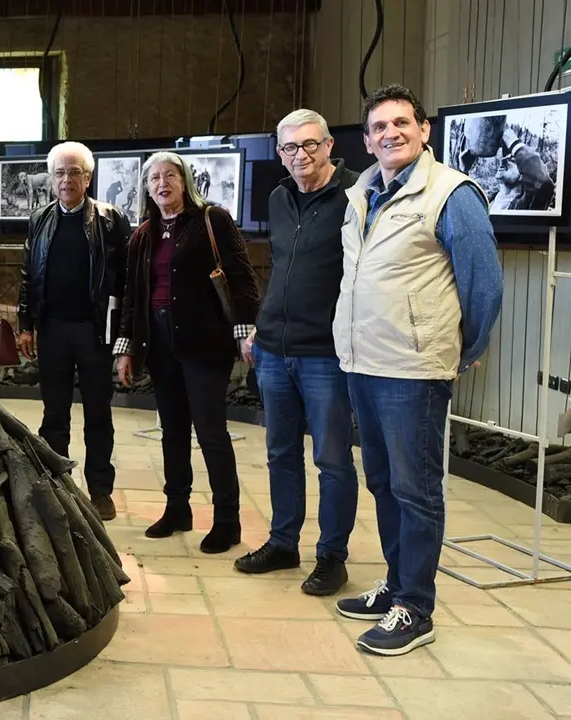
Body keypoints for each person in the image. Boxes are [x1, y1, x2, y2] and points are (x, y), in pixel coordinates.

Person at [332, 84, 503, 656]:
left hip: (412, 369)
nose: (390, 134)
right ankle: (396, 585)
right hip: (362, 363)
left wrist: (458, 349)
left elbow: (484, 285)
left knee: (416, 489)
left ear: (424, 130)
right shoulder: (361, 193)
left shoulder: (451, 195)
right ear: (367, 139)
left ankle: (416, 608)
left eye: (402, 123)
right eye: (379, 127)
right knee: (382, 482)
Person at [233, 109, 361, 597]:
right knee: (280, 453)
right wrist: (259, 329)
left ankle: (332, 556)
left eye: (310, 145)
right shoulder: (279, 197)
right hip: (272, 350)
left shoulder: (357, 195)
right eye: (289, 148)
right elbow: (283, 269)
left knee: (332, 458)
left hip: (326, 354)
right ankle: (284, 542)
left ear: (329, 145)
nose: (300, 155)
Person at [114, 152, 261, 552]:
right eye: (154, 178)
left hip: (204, 342)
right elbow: (132, 296)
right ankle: (177, 507)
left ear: (184, 181)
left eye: (170, 176)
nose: (162, 183)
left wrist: (244, 331)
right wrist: (125, 348)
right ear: (146, 188)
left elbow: (243, 278)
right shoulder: (143, 234)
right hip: (159, 343)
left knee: (211, 433)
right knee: (172, 430)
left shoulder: (212, 221)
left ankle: (227, 521)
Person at [17, 141, 130, 521]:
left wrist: (124, 334)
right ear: (51, 179)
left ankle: (100, 490)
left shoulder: (111, 219)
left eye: (75, 172)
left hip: (94, 331)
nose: (67, 180)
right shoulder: (40, 219)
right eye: (60, 173)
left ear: (89, 177)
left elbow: (125, 281)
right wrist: (25, 325)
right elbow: (28, 274)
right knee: (54, 413)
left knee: (99, 413)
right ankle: (56, 487)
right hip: (52, 330)